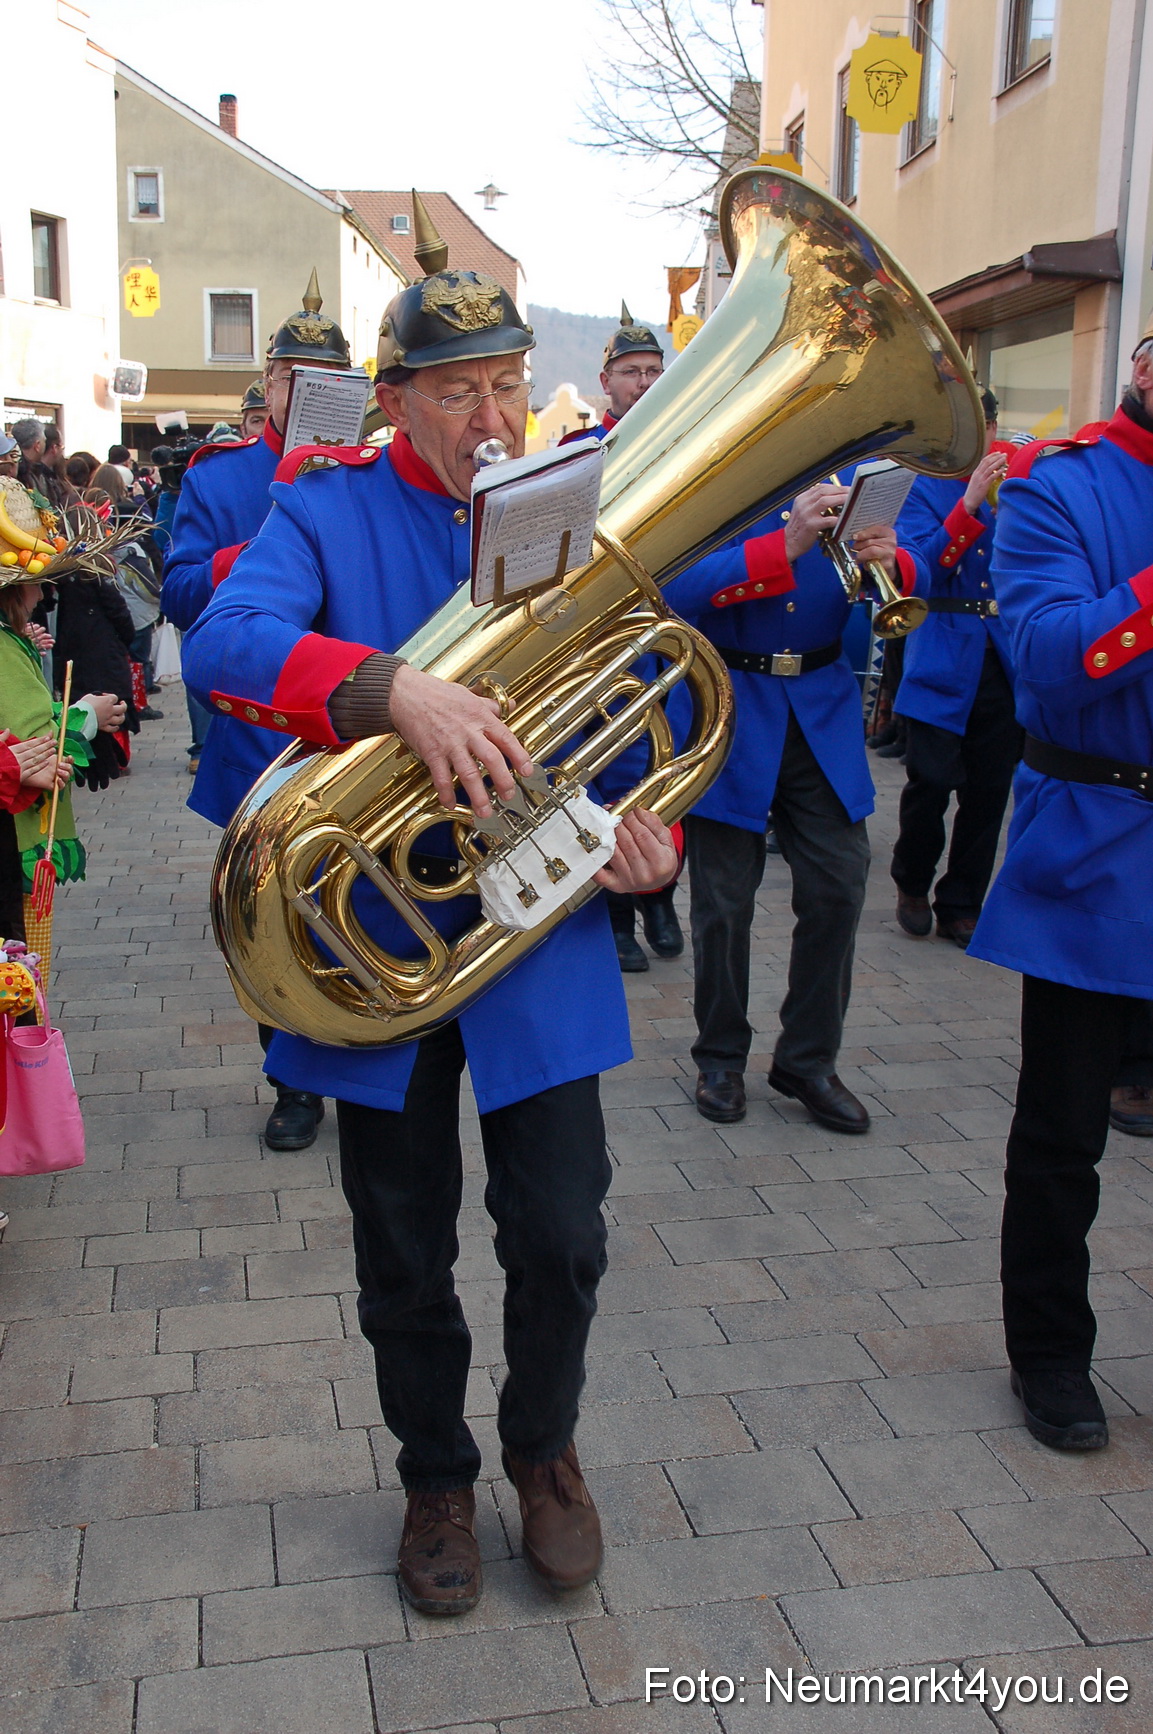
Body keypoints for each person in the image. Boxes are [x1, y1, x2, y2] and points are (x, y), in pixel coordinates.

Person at [183, 213, 677, 1617]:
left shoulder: (566, 514)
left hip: (540, 933)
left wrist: (651, 838)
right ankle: (435, 1477)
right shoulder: (326, 507)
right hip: (378, 944)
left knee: (566, 1233)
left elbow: (624, 693)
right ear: (395, 399)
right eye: (458, 388)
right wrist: (389, 687)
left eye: (509, 381)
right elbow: (220, 640)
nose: (492, 414)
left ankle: (544, 1448)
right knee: (402, 1245)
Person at [967, 325, 1153, 1452]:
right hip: (1096, 841)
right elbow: (1042, 659)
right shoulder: (1062, 485)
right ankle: (1048, 1357)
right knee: (1061, 1136)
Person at [162, 272, 355, 1153]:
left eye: (329, 381)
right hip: (259, 728)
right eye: (293, 378)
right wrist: (258, 548)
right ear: (270, 383)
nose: (309, 395)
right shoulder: (225, 474)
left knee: (348, 900)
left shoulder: (373, 472)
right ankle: (291, 1077)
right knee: (263, 910)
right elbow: (179, 592)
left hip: (355, 727)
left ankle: (358, 1044)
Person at [662, 479, 922, 1132]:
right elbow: (674, 589)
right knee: (723, 903)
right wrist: (786, 543)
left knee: (839, 881)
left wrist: (891, 562)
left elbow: (920, 554)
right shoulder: (720, 476)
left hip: (821, 706)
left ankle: (807, 1060)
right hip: (730, 706)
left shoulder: (856, 479)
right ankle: (719, 1056)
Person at [559, 307, 683, 969]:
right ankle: (613, 916)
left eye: (651, 372)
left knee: (664, 770)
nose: (641, 382)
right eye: (630, 372)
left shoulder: (686, 442)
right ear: (604, 380)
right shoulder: (578, 453)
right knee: (604, 775)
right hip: (596, 643)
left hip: (665, 638)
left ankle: (659, 894)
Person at [889, 390, 1020, 948]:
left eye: (985, 424)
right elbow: (924, 569)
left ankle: (964, 899)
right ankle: (913, 881)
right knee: (932, 780)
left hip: (1003, 656)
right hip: (943, 650)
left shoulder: (1017, 485)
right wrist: (966, 507)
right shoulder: (923, 486)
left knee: (990, 791)